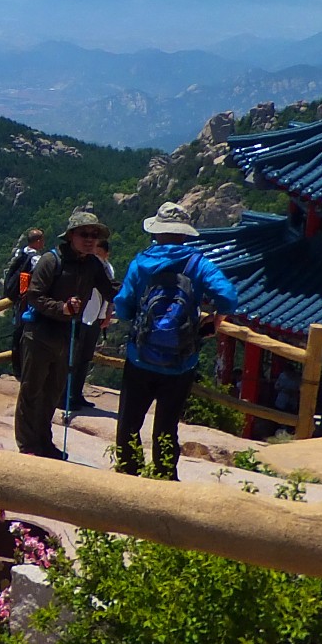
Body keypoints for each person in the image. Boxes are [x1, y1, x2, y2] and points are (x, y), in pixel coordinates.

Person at [111, 202, 239, 480]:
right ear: (184, 234)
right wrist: (216, 319)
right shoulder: (198, 264)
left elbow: (121, 306)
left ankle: (127, 474)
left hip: (139, 356)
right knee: (167, 424)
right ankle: (165, 474)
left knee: (130, 421)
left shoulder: (141, 263)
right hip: (182, 360)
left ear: (157, 232)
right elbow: (228, 296)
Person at [13, 212, 111, 459]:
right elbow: (34, 295)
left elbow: (111, 290)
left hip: (68, 335)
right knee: (31, 390)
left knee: (54, 392)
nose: (90, 240)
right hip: (40, 333)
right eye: (84, 234)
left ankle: (44, 442)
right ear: (70, 236)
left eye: (94, 235)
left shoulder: (93, 265)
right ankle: (27, 446)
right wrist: (62, 308)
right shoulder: (51, 260)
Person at [63, 236, 116, 414]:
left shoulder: (107, 269)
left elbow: (110, 294)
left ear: (106, 253)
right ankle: (65, 395)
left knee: (85, 358)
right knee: (73, 358)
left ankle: (77, 394)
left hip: (95, 317)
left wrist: (107, 316)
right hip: (82, 317)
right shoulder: (87, 267)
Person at [1, 228, 46, 377]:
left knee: (18, 332)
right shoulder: (35, 259)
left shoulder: (20, 253)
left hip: (18, 299)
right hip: (28, 302)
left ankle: (17, 367)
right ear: (38, 241)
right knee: (27, 334)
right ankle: (25, 368)